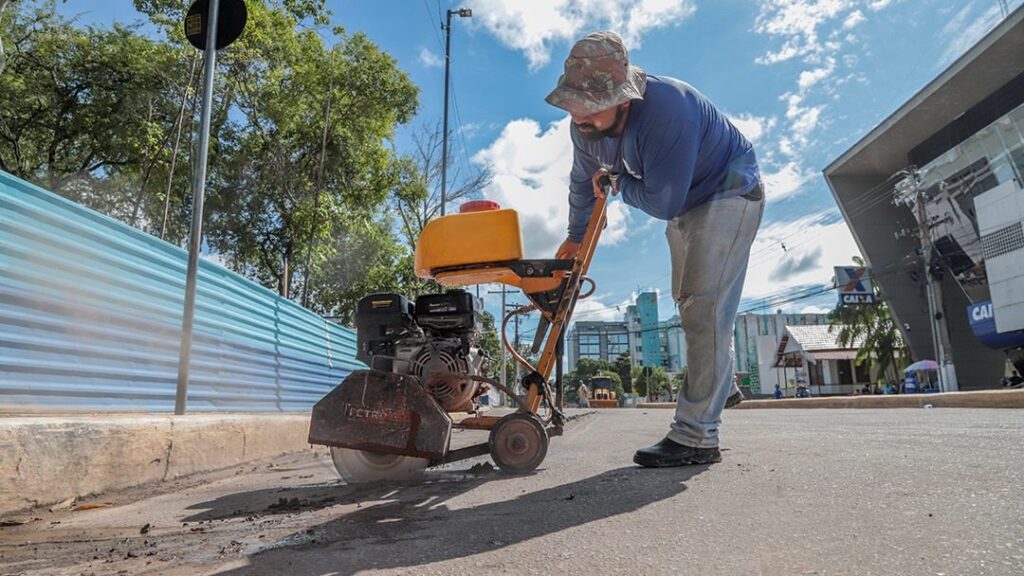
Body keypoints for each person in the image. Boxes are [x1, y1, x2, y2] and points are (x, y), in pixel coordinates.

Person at [546, 32, 763, 467]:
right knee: (690, 307)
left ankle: (697, 436)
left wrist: (617, 183)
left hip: (728, 194)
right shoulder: (585, 126)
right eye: (573, 101)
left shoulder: (668, 110)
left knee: (706, 310)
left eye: (589, 102)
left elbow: (664, 201)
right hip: (683, 200)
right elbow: (580, 182)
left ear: (622, 97)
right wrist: (574, 235)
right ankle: (723, 383)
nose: (578, 113)